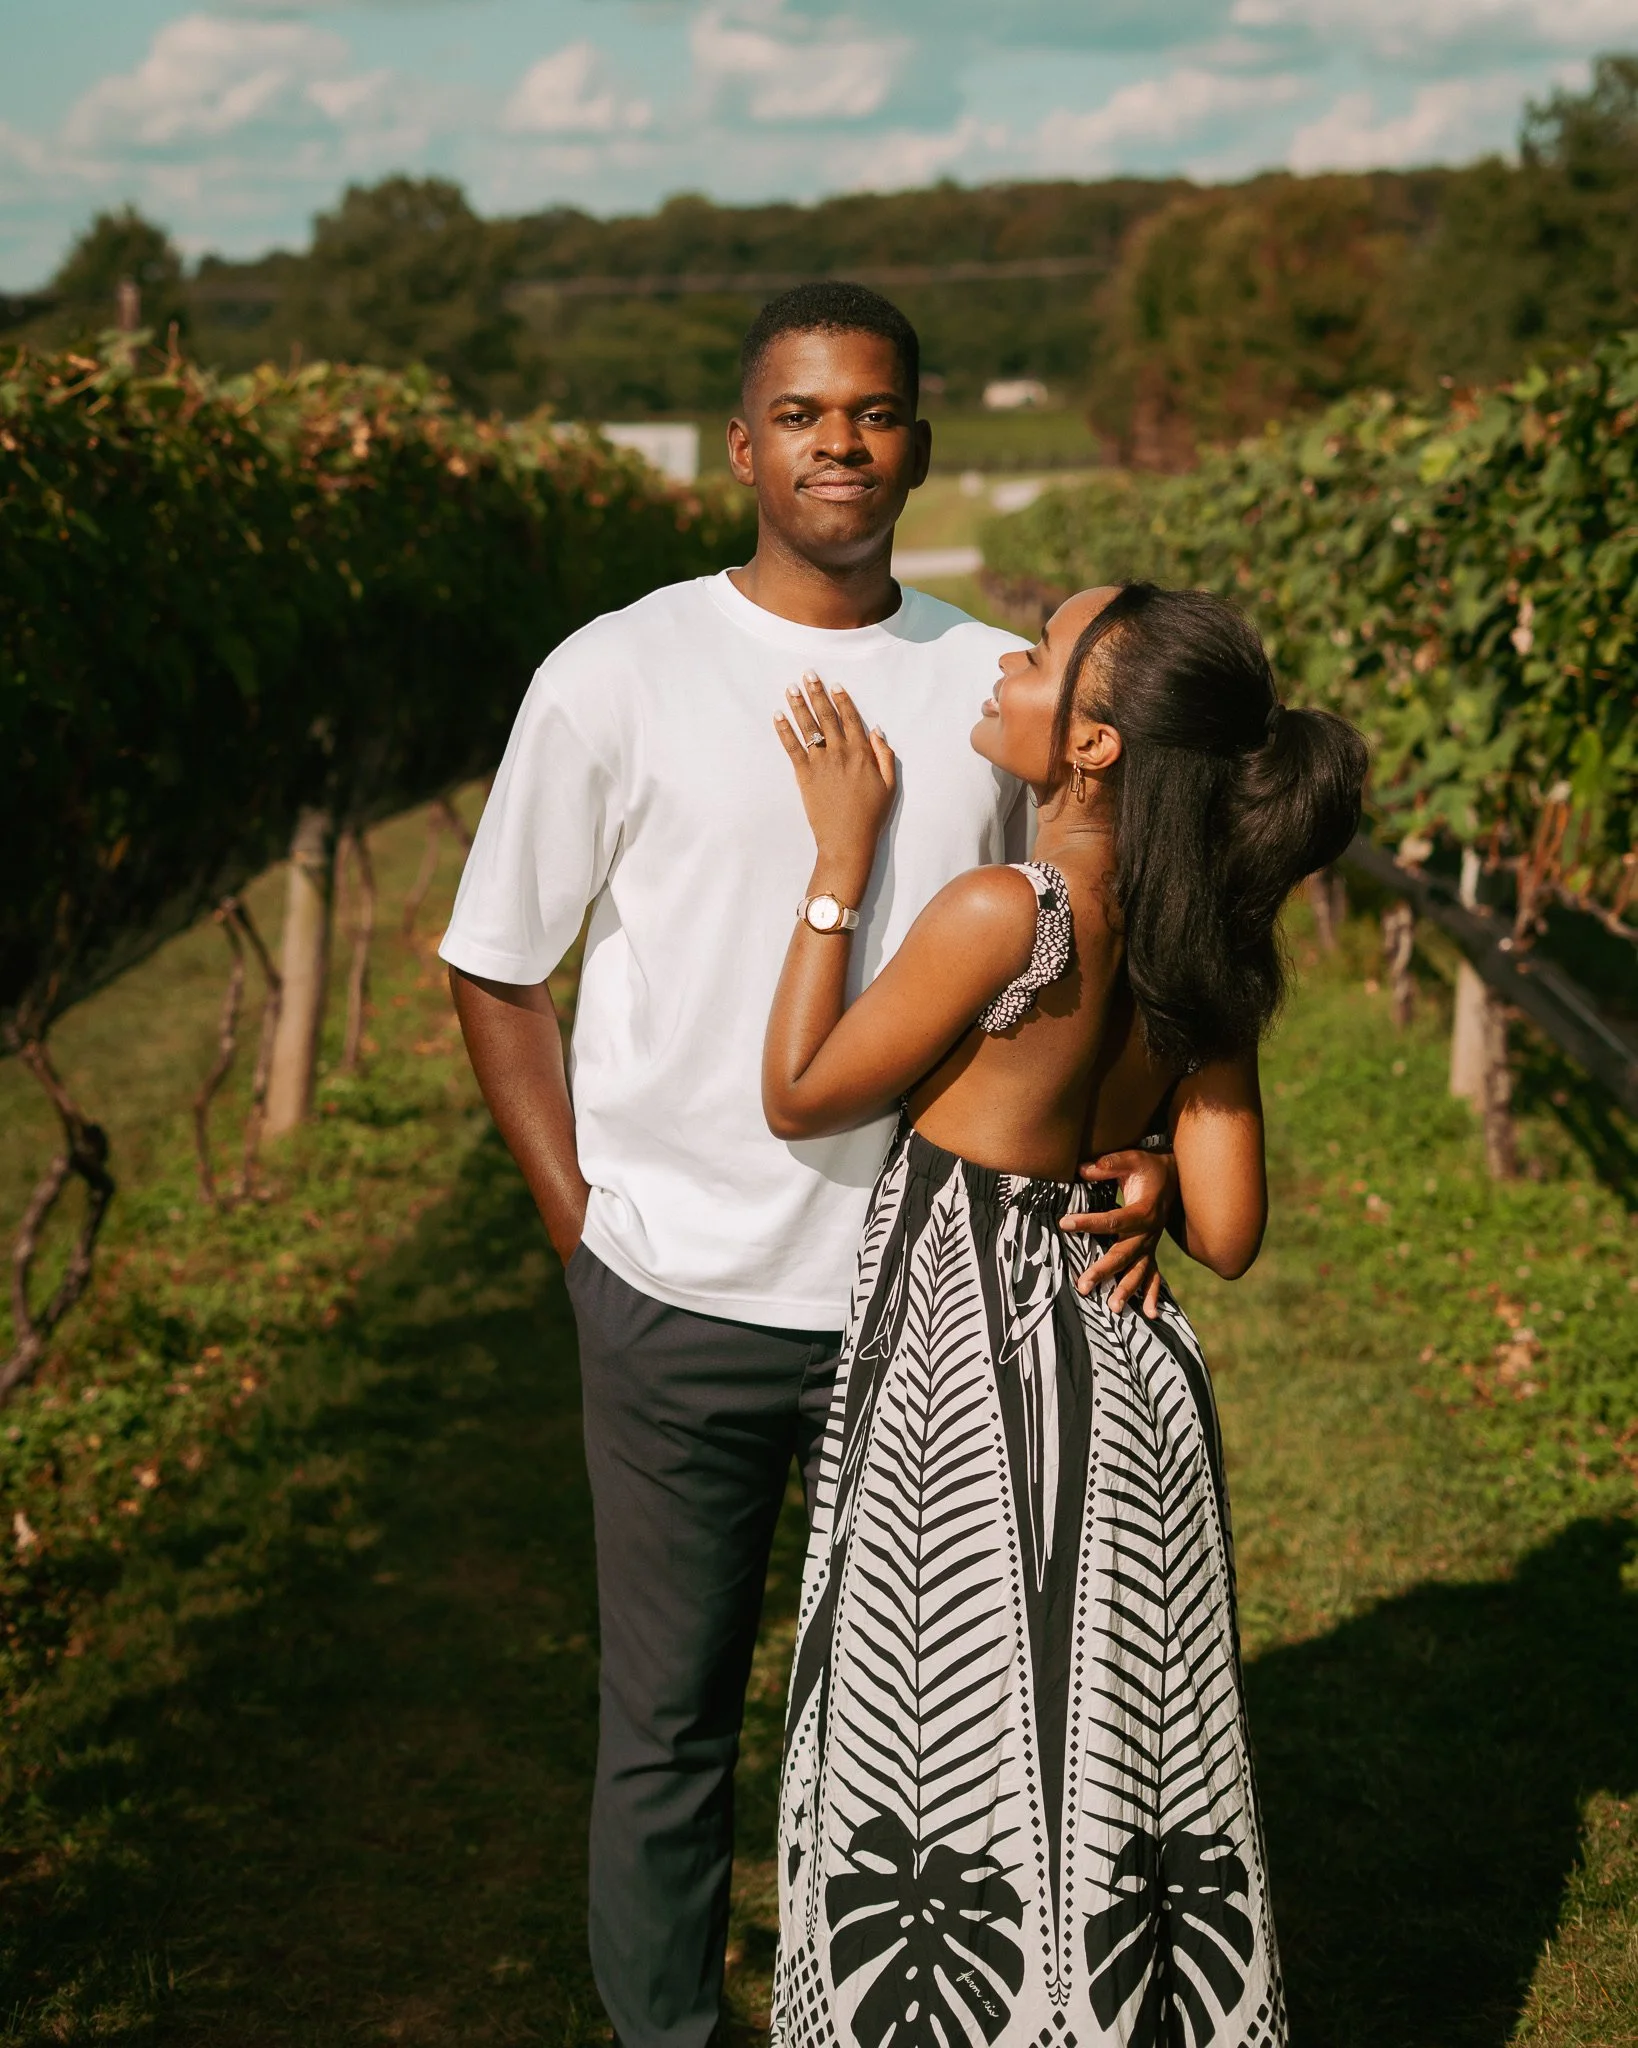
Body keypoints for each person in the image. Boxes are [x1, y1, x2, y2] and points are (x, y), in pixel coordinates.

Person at [439, 283, 1177, 2048]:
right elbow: (495, 967)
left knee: (933, 1737)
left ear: (919, 440)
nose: (840, 442)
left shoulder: (992, 680)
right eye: (802, 413)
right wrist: (584, 1234)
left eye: (874, 411)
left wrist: (1143, 1139)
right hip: (674, 1293)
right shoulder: (615, 670)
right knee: (671, 1726)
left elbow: (1084, 945)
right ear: (742, 442)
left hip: (933, 1300)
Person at [762, 582, 1369, 2048]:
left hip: (965, 1382)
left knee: (943, 1747)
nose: (1003, 662)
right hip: (1124, 1365)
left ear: (1090, 745)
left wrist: (836, 863)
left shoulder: (1005, 912)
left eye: (1035, 655)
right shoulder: (1197, 935)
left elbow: (799, 1092)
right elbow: (1225, 1234)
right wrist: (1152, 1162)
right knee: (1110, 1749)